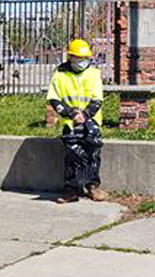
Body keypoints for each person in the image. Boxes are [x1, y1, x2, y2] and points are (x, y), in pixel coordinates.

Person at [46, 39, 108, 204]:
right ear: (71, 57)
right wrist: (71, 114)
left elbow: (97, 99)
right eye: (78, 58)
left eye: (84, 58)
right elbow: (54, 99)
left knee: (92, 154)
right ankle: (70, 190)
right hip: (70, 123)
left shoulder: (94, 74)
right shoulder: (60, 75)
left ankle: (93, 187)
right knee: (72, 157)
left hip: (91, 123)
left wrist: (86, 114)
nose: (82, 61)